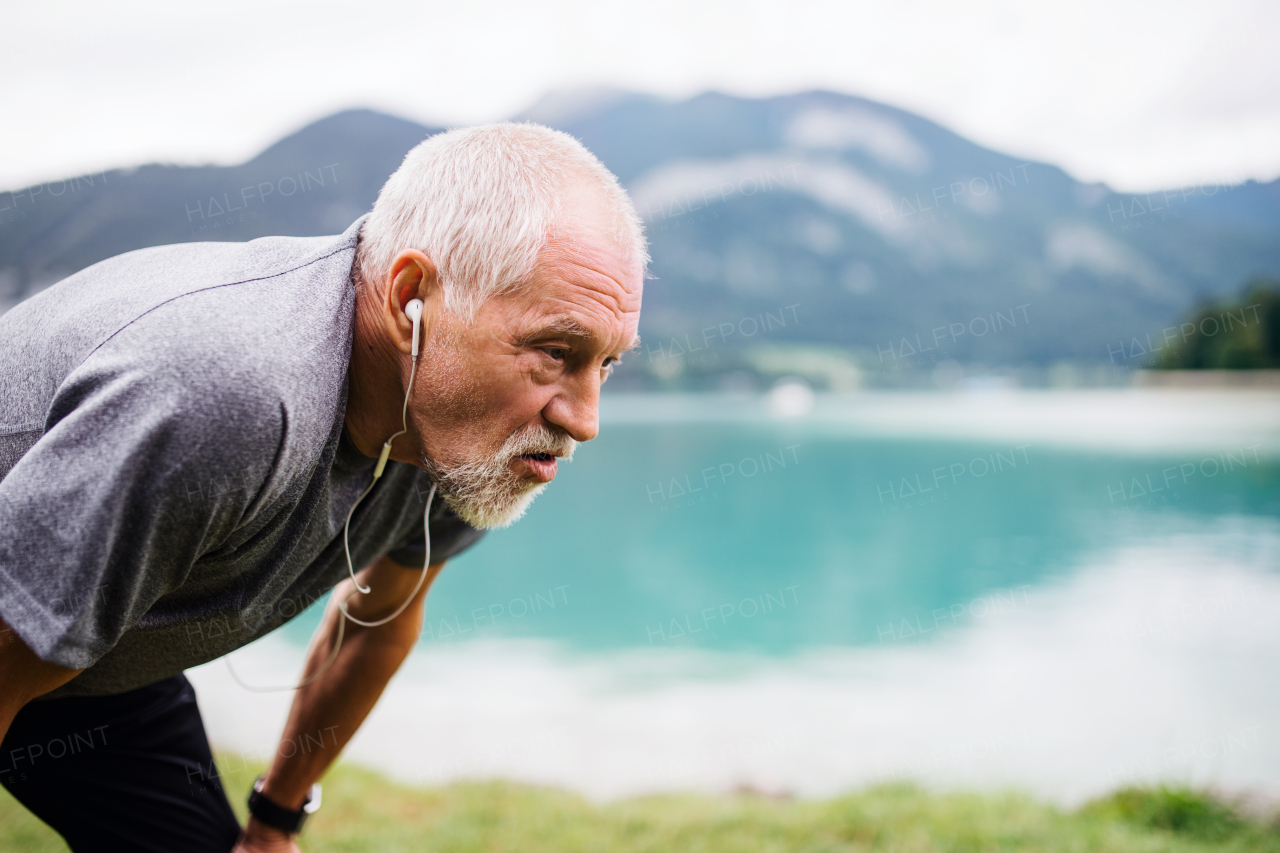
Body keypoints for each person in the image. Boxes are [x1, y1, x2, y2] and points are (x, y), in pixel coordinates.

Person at [0, 122, 647, 852]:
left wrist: (275, 820)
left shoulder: (466, 435)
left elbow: (376, 622)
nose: (584, 419)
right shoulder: (230, 392)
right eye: (556, 351)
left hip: (98, 653)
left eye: (608, 363)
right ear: (412, 296)